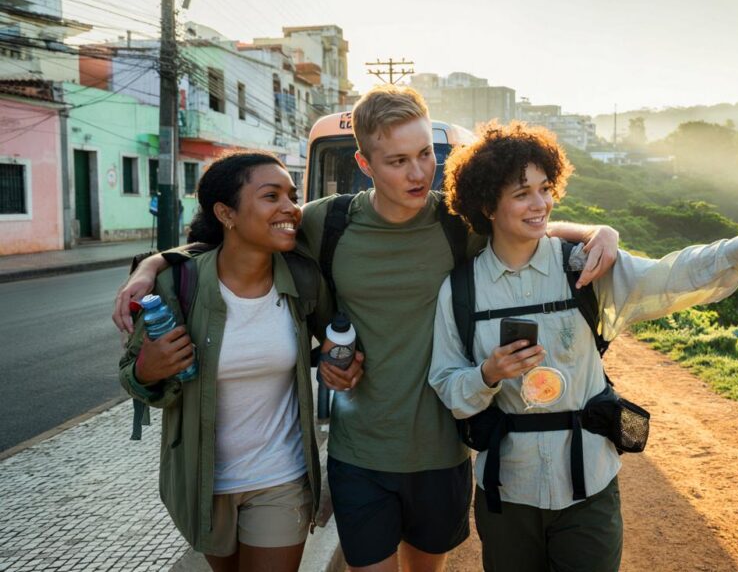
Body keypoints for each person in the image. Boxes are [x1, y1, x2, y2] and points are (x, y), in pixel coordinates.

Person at [113, 85, 620, 572]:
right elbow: (241, 240)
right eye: (398, 161)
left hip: (442, 450)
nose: (419, 172)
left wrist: (601, 231)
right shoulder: (325, 223)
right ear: (365, 164)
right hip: (360, 453)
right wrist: (152, 264)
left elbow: (530, 226)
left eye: (425, 154)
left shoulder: (456, 223)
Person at [428, 122, 738, 571]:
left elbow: (669, 276)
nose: (540, 204)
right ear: (487, 204)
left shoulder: (584, 267)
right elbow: (446, 385)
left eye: (545, 188)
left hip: (590, 487)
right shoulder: (462, 291)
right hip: (507, 491)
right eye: (522, 193)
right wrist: (488, 375)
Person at [119, 152, 333, 572]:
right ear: (226, 213)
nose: (290, 207)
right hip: (204, 483)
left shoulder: (303, 279)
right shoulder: (177, 284)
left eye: (291, 195)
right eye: (271, 196)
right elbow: (132, 378)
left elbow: (336, 341)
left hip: (282, 479)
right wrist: (149, 368)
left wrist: (340, 363)